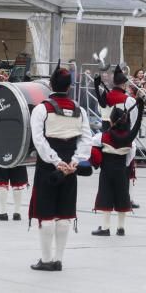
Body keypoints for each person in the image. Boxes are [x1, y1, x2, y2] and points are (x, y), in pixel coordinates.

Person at [28, 67, 93, 271]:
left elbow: (38, 140)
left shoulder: (41, 109)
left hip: (49, 166)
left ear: (50, 86)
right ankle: (58, 259)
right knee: (65, 213)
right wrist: (75, 161)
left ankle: (46, 260)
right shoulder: (79, 110)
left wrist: (56, 162)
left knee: (45, 213)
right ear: (70, 87)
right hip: (71, 166)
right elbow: (86, 138)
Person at [90, 98, 145, 236]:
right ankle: (121, 228)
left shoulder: (101, 137)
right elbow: (130, 156)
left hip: (107, 171)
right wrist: (141, 109)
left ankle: (105, 227)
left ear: (111, 121)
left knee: (106, 195)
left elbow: (92, 150)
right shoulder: (130, 138)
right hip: (121, 170)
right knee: (122, 196)